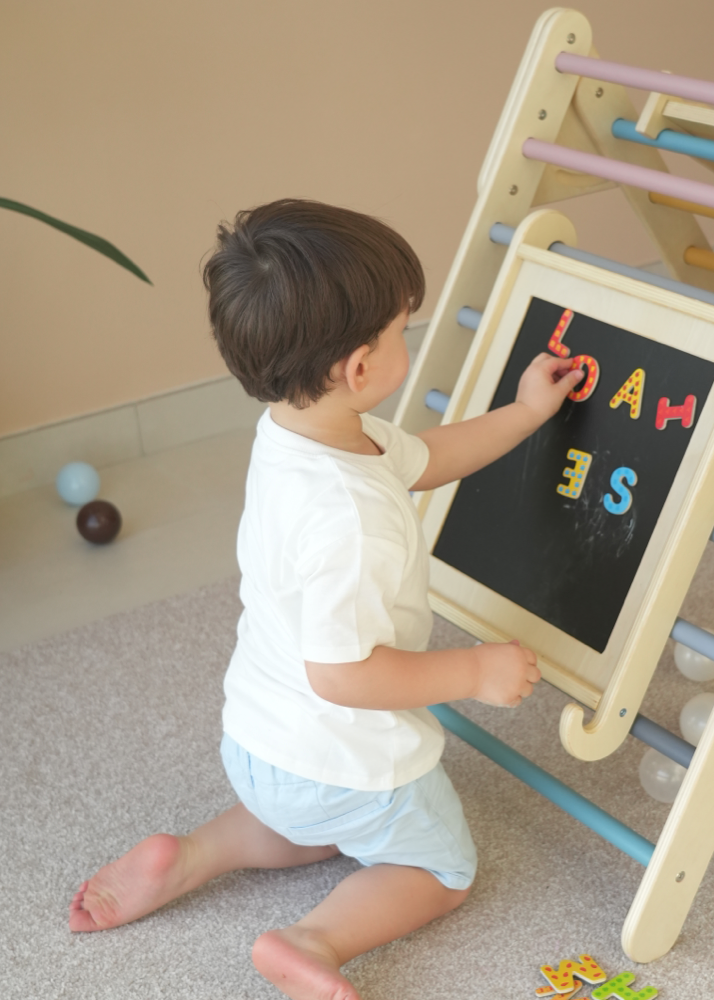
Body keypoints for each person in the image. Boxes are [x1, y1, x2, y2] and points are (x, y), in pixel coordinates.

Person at [68, 199, 583, 1000]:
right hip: (346, 763)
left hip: (256, 744)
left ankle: (196, 855)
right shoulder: (353, 520)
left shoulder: (298, 432)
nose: (406, 339)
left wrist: (525, 412)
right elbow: (345, 676)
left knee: (310, 823)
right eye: (401, 329)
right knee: (440, 867)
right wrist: (475, 671)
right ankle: (312, 941)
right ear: (358, 368)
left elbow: (427, 457)